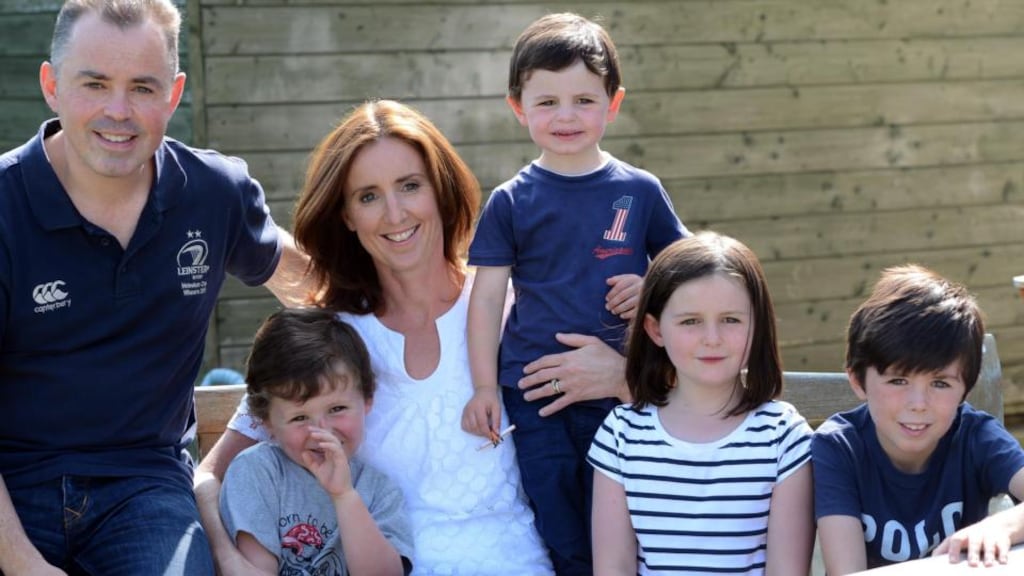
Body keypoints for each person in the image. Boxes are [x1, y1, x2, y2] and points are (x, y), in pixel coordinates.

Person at [195, 99, 633, 575]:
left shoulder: (514, 307)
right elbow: (209, 475)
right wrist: (227, 558)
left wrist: (623, 378)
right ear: (346, 215)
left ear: (440, 190)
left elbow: (672, 409)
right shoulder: (329, 335)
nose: (395, 213)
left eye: (410, 186)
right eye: (368, 196)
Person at [0, 1, 310, 574]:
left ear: (174, 94)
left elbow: (311, 287)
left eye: (143, 88)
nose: (118, 111)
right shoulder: (4, 204)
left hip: (144, 485)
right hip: (12, 485)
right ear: (51, 85)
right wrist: (25, 566)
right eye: (95, 84)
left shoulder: (213, 193)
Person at [460, 13, 688, 573]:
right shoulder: (510, 201)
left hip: (622, 395)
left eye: (584, 100)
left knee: (625, 522)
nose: (566, 116)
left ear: (614, 103)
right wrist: (484, 386)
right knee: (560, 525)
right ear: (518, 107)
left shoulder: (640, 191)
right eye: (547, 102)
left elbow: (692, 274)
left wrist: (654, 289)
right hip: (534, 393)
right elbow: (485, 301)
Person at [587, 232, 815, 575]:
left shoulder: (784, 436)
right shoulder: (621, 434)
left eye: (731, 319)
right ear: (655, 329)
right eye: (690, 321)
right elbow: (613, 567)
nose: (712, 338)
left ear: (757, 325)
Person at [812, 264, 1024, 573]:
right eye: (898, 380)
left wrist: (1000, 527)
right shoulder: (838, 448)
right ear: (857, 380)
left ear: (965, 389)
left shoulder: (977, 436)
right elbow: (849, 572)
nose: (918, 404)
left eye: (940, 383)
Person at [220, 308, 413, 575]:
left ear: (367, 399)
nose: (321, 432)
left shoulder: (379, 491)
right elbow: (254, 570)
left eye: (337, 409)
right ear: (267, 422)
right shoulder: (257, 473)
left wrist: (344, 496)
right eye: (299, 417)